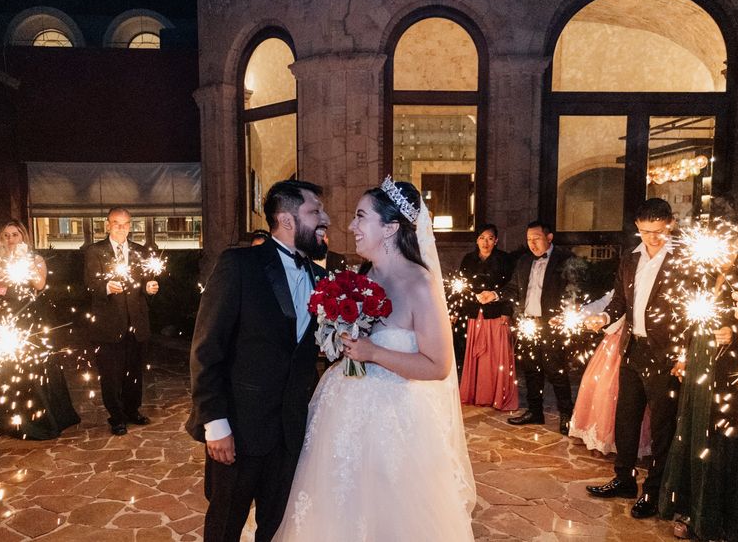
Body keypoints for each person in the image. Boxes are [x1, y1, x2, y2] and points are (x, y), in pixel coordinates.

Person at [272, 177, 475, 541]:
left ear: (391, 227)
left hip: (394, 422)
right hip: (344, 412)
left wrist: (373, 353)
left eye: (360, 216)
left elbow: (438, 365)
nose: (350, 226)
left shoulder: (418, 283)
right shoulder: (364, 275)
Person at [186, 179, 330, 542]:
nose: (325, 218)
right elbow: (207, 348)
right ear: (286, 219)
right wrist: (215, 424)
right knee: (224, 524)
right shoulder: (239, 265)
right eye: (315, 211)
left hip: (290, 431)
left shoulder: (322, 278)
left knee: (276, 526)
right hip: (239, 428)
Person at [659, 246, 738, 541]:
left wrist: (736, 334)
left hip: (736, 383)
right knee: (698, 443)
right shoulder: (702, 275)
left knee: (730, 453)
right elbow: (691, 322)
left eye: (729, 246)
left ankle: (731, 524)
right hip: (702, 371)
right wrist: (684, 356)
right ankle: (698, 516)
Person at [583, 198, 684, 519]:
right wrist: (602, 317)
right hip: (633, 348)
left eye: (658, 231)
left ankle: (654, 492)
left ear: (671, 223)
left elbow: (694, 313)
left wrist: (685, 354)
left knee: (661, 427)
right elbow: (620, 302)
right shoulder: (630, 259)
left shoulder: (684, 261)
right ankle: (624, 479)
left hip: (665, 354)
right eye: (645, 232)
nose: (652, 238)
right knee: (625, 418)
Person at [0, 220, 80, 439]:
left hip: (29, 316)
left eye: (15, 235)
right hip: (4, 315)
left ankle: (42, 416)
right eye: (5, 235)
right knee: (5, 364)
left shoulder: (36, 259)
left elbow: (39, 284)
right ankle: (6, 418)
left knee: (35, 363)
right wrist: (8, 262)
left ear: (23, 237)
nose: (10, 239)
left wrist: (25, 262)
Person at [492, 221, 575, 434]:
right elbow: (513, 288)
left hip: (552, 324)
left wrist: (565, 313)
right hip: (528, 323)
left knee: (556, 370)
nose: (532, 243)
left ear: (549, 238)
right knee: (531, 369)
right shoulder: (524, 261)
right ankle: (535, 411)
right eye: (529, 239)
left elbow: (574, 289)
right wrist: (494, 295)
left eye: (536, 238)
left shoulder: (564, 260)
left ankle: (567, 415)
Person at [84, 207, 159, 436]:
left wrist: (149, 288)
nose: (121, 228)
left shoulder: (139, 251)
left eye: (125, 224)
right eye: (116, 223)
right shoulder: (95, 251)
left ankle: (132, 410)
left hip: (136, 323)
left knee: (134, 371)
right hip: (109, 325)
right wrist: (106, 287)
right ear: (107, 225)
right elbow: (89, 285)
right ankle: (116, 416)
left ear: (130, 226)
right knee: (111, 374)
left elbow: (147, 280)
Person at [568, 291, 651, 456]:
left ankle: (618, 443)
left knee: (615, 391)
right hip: (613, 341)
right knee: (596, 384)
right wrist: (582, 311)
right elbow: (606, 301)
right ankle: (600, 437)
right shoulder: (625, 278)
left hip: (632, 342)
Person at [458, 223, 518, 409]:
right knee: (476, 355)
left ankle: (497, 395)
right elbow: (460, 285)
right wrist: (471, 296)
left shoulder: (505, 259)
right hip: (474, 312)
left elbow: (512, 287)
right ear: (477, 240)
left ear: (496, 241)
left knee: (496, 356)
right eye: (482, 238)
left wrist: (506, 312)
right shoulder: (468, 259)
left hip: (496, 313)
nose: (486, 242)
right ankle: (476, 394)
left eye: (490, 238)